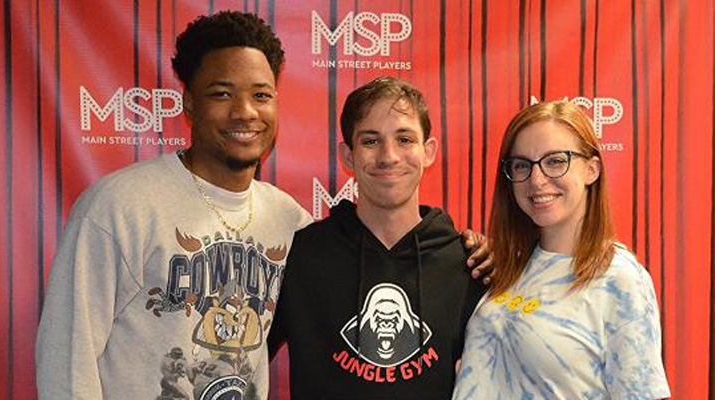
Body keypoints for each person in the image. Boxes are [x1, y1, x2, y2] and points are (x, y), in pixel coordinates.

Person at [36, 11, 312, 400]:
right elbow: (66, 359)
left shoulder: (291, 220)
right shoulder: (119, 207)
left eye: (261, 95)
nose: (245, 111)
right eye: (222, 93)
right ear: (189, 104)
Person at [268, 77, 487, 399]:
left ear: (428, 151)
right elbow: (241, 356)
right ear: (347, 156)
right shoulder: (301, 255)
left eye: (404, 139)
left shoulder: (469, 264)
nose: (389, 156)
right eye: (371, 141)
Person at [452, 101, 670, 399]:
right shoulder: (510, 266)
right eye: (522, 165)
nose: (537, 180)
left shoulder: (620, 278)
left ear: (592, 169)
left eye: (555, 161)